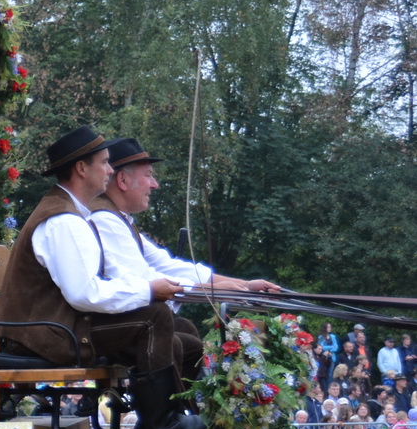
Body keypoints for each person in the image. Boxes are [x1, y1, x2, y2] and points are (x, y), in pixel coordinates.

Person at [0, 126, 208, 429]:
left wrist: (150, 290)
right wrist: (149, 292)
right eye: (105, 163)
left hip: (58, 327)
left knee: (182, 332)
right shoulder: (63, 220)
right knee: (155, 318)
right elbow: (85, 294)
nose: (110, 171)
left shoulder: (73, 214)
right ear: (82, 169)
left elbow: (92, 291)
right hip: (44, 336)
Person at [89, 138, 282, 378]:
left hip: (120, 322)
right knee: (183, 344)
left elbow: (167, 265)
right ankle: (165, 415)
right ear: (123, 180)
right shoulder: (104, 220)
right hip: (97, 327)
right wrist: (213, 288)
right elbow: (143, 280)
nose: (155, 184)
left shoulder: (119, 220)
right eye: (149, 175)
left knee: (185, 332)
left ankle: (178, 410)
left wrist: (243, 286)